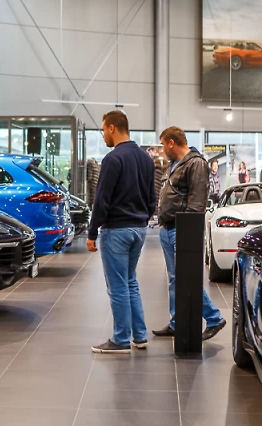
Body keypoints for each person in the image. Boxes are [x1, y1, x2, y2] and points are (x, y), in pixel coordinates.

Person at [87, 110, 156, 354]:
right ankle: (140, 335)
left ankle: (120, 340)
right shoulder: (146, 159)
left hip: (116, 230)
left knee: (117, 286)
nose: (103, 135)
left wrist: (92, 232)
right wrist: (143, 219)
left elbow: (102, 199)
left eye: (103, 130)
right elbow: (152, 198)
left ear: (112, 128)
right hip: (139, 229)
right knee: (130, 282)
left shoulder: (113, 159)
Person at [153, 126, 227, 341]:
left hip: (181, 230)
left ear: (171, 143)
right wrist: (161, 222)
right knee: (175, 278)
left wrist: (187, 231)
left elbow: (197, 203)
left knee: (187, 277)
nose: (162, 150)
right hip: (168, 228)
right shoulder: (175, 164)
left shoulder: (196, 163)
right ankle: (176, 322)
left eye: (163, 145)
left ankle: (214, 318)